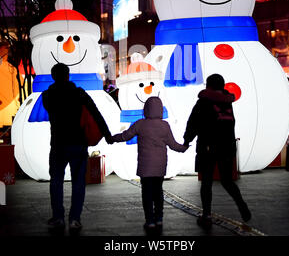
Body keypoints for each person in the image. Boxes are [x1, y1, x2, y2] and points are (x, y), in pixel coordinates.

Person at [42, 63, 111, 233]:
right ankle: (75, 219)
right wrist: (107, 134)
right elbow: (95, 113)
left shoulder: (48, 95)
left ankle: (58, 217)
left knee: (56, 181)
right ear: (68, 75)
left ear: (53, 76)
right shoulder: (79, 93)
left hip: (58, 144)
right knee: (78, 181)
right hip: (78, 143)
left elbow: (50, 110)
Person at [106, 96, 188, 233]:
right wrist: (184, 147)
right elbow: (173, 145)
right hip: (160, 166)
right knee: (158, 192)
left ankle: (149, 220)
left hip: (145, 167)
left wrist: (112, 138)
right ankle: (159, 218)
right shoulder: (164, 125)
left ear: (146, 109)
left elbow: (125, 136)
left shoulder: (140, 124)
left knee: (147, 194)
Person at [183, 73, 251, 230]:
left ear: (208, 85)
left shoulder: (203, 102)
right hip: (227, 147)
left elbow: (193, 122)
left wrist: (187, 140)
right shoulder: (227, 103)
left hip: (208, 147)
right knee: (227, 181)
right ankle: (241, 204)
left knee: (206, 182)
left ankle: (206, 215)